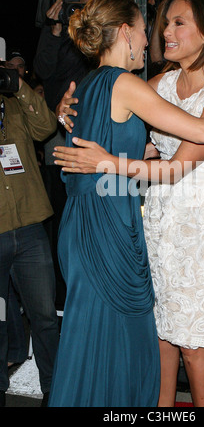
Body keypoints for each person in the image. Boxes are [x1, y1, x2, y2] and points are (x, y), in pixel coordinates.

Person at [49, 0, 204, 407]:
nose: (162, 32)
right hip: (150, 216)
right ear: (127, 33)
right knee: (157, 332)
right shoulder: (154, 83)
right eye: (159, 24)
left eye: (178, 22)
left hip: (200, 221)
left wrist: (110, 157)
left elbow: (175, 153)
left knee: (192, 340)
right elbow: (135, 129)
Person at [33, 0, 109, 310]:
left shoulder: (104, 34)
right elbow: (43, 71)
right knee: (62, 213)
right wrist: (54, 28)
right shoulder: (60, 28)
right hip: (60, 130)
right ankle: (63, 298)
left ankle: (93, 290)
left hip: (100, 133)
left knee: (95, 212)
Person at [0, 67, 60, 408]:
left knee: (45, 317)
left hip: (30, 227)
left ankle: (55, 389)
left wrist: (18, 83)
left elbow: (47, 126)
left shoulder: (15, 102)